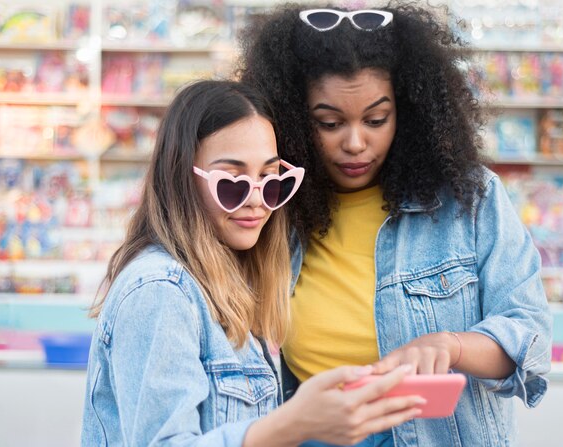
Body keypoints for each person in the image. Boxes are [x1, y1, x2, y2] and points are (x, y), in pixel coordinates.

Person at [238, 3, 553, 446]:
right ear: (291, 117)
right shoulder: (273, 208)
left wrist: (452, 346)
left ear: (409, 111)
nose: (354, 143)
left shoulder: (470, 200)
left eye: (376, 120)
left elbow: (530, 337)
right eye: (328, 123)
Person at [80, 80, 427, 447]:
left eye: (270, 179)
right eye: (233, 183)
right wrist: (293, 424)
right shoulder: (160, 291)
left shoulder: (234, 287)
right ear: (181, 177)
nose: (258, 201)